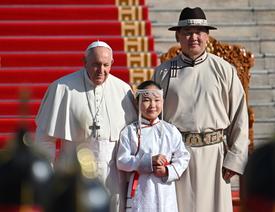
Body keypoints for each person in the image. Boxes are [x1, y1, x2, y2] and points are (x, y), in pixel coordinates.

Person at [153, 7, 249, 212]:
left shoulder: (224, 70)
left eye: (199, 32)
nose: (193, 37)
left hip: (214, 156)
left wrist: (234, 159)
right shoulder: (163, 72)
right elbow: (154, 118)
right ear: (178, 36)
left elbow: (240, 116)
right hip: (177, 155)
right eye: (187, 32)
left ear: (207, 36)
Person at [34, 40, 137, 212]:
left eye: (105, 65)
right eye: (96, 65)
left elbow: (134, 139)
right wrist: (50, 176)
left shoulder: (123, 90)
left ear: (112, 63)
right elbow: (45, 139)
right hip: (73, 173)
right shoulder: (62, 88)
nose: (101, 71)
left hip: (112, 176)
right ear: (84, 63)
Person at [116, 80, 190, 212]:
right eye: (146, 100)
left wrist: (168, 171)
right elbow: (122, 161)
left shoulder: (170, 130)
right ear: (136, 102)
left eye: (157, 100)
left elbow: (183, 157)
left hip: (165, 191)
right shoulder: (130, 131)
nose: (152, 105)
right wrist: (148, 161)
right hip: (141, 191)